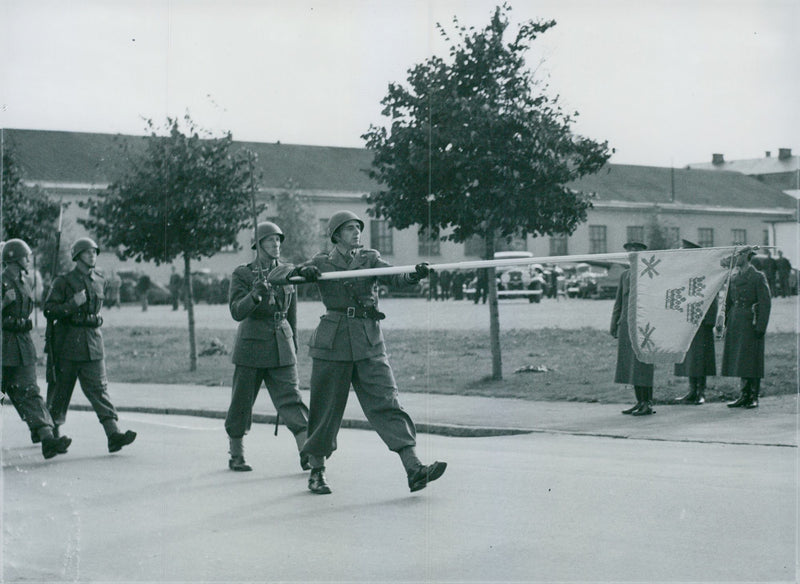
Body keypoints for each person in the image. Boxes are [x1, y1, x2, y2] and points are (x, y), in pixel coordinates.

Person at [270, 210, 446, 495]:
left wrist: (415, 274)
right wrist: (300, 272)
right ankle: (317, 471)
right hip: (333, 342)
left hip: (368, 341)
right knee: (325, 411)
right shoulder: (321, 262)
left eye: (358, 228)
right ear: (336, 235)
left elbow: (395, 277)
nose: (356, 233)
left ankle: (414, 468)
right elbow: (278, 275)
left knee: (387, 402)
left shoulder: (370, 259)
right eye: (349, 228)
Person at [224, 221, 311, 472]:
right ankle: (236, 453)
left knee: (292, 401)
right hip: (251, 345)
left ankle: (307, 452)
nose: (277, 244)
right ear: (258, 244)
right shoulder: (243, 274)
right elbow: (236, 312)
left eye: (279, 239)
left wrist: (293, 342)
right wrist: (254, 294)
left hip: (281, 345)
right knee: (241, 402)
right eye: (271, 239)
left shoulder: (286, 272)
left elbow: (291, 313)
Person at [44, 237, 137, 453]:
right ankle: (52, 438)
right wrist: (71, 304)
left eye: (95, 252)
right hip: (68, 343)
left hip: (93, 342)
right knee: (61, 391)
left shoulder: (99, 280)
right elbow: (48, 310)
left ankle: (113, 434)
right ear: (77, 256)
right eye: (88, 252)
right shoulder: (63, 281)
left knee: (99, 390)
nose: (92, 255)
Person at [2, 239, 72, 459]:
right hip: (3, 343)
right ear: (13, 258)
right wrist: (3, 302)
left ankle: (47, 438)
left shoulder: (25, 282)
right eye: (25, 256)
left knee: (30, 391)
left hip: (22, 343)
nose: (28, 260)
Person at [721, 248, 771, 408]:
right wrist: (725, 322)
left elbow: (765, 303)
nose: (736, 258)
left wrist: (761, 326)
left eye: (739, 255)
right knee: (741, 359)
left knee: (752, 358)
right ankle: (744, 394)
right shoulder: (733, 277)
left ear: (746, 256)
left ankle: (753, 395)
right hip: (736, 321)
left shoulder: (757, 276)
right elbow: (728, 302)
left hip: (751, 322)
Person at [610, 241, 656, 416]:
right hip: (626, 324)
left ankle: (648, 402)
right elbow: (619, 302)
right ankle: (639, 401)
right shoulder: (625, 275)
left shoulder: (649, 274)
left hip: (644, 326)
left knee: (643, 364)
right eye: (630, 253)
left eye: (635, 253)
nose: (632, 256)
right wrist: (614, 324)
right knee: (630, 364)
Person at [674, 240, 717, 405]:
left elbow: (712, 296)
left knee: (700, 358)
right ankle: (692, 390)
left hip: (701, 323)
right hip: (686, 322)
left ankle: (701, 391)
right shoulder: (684, 273)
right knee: (689, 358)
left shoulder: (706, 273)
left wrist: (710, 321)